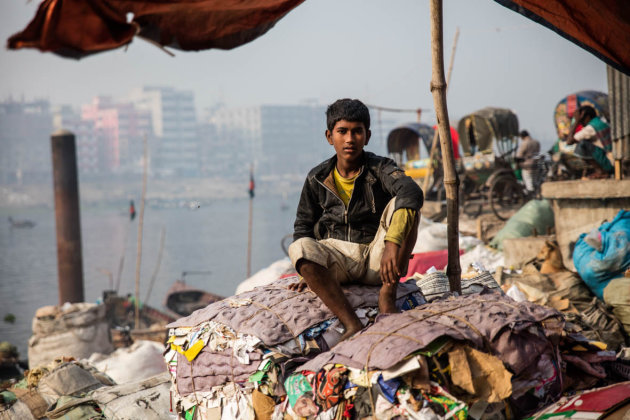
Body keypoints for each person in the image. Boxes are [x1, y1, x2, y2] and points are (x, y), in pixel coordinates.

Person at [288, 99, 424, 340]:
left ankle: (387, 296)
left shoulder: (380, 168)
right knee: (298, 247)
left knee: (404, 203)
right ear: (330, 136)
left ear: (367, 136)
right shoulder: (316, 178)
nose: (350, 139)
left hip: (378, 259)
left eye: (357, 132)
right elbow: (303, 227)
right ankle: (351, 323)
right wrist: (305, 270)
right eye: (342, 132)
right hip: (336, 262)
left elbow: (411, 192)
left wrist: (392, 244)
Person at [566, 105, 613, 178]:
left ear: (587, 117)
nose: (581, 123)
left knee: (582, 145)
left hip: (610, 162)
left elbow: (569, 142)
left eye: (581, 120)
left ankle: (601, 172)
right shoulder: (600, 120)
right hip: (613, 157)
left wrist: (576, 122)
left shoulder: (590, 128)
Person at [515, 130, 541, 194]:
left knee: (528, 182)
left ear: (522, 137)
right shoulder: (536, 142)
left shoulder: (525, 143)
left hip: (527, 166)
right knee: (535, 182)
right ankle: (537, 195)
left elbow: (519, 155)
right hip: (536, 164)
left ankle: (531, 197)